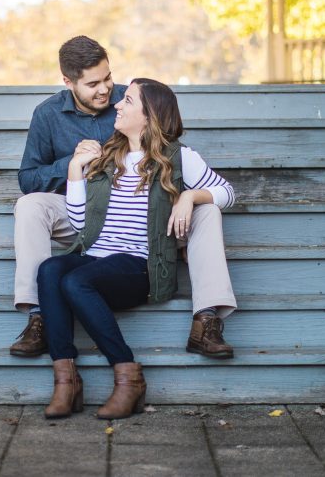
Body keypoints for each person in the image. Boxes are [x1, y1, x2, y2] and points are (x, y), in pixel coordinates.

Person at [10, 36, 237, 361]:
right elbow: (28, 179)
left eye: (108, 78)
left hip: (146, 220)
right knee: (29, 205)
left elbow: (166, 153)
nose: (106, 91)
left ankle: (206, 320)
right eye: (92, 84)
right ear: (68, 82)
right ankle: (41, 315)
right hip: (81, 214)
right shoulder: (47, 114)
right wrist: (73, 163)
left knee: (208, 210)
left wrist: (188, 196)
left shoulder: (131, 101)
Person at [37, 78, 236, 419]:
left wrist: (190, 195)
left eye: (127, 101)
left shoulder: (179, 158)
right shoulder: (108, 156)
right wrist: (74, 169)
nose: (117, 105)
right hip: (97, 258)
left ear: (149, 115)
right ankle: (66, 381)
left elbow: (227, 193)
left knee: (75, 282)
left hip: (139, 266)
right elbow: (81, 223)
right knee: (50, 269)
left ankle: (128, 376)